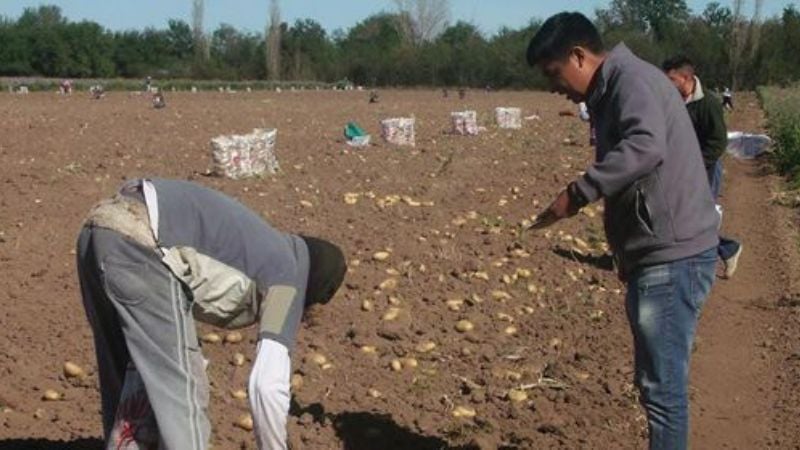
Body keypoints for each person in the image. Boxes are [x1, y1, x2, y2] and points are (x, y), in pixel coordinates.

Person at [526, 12, 718, 450]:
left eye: (554, 74)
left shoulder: (630, 81)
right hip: (658, 254)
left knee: (663, 390)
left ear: (578, 56)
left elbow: (645, 146)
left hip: (673, 255)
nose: (553, 86)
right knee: (656, 384)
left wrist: (576, 194)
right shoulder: (613, 87)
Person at [76, 178, 347, 450]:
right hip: (143, 242)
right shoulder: (288, 278)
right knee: (182, 388)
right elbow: (266, 386)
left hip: (97, 231)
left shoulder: (268, 249)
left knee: (127, 379)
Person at [663, 56, 743, 278]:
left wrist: (696, 165)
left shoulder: (708, 103)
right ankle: (724, 250)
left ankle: (723, 251)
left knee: (696, 219)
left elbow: (718, 141)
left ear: (686, 78)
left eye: (671, 79)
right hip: (679, 167)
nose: (667, 83)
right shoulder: (671, 100)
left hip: (704, 168)